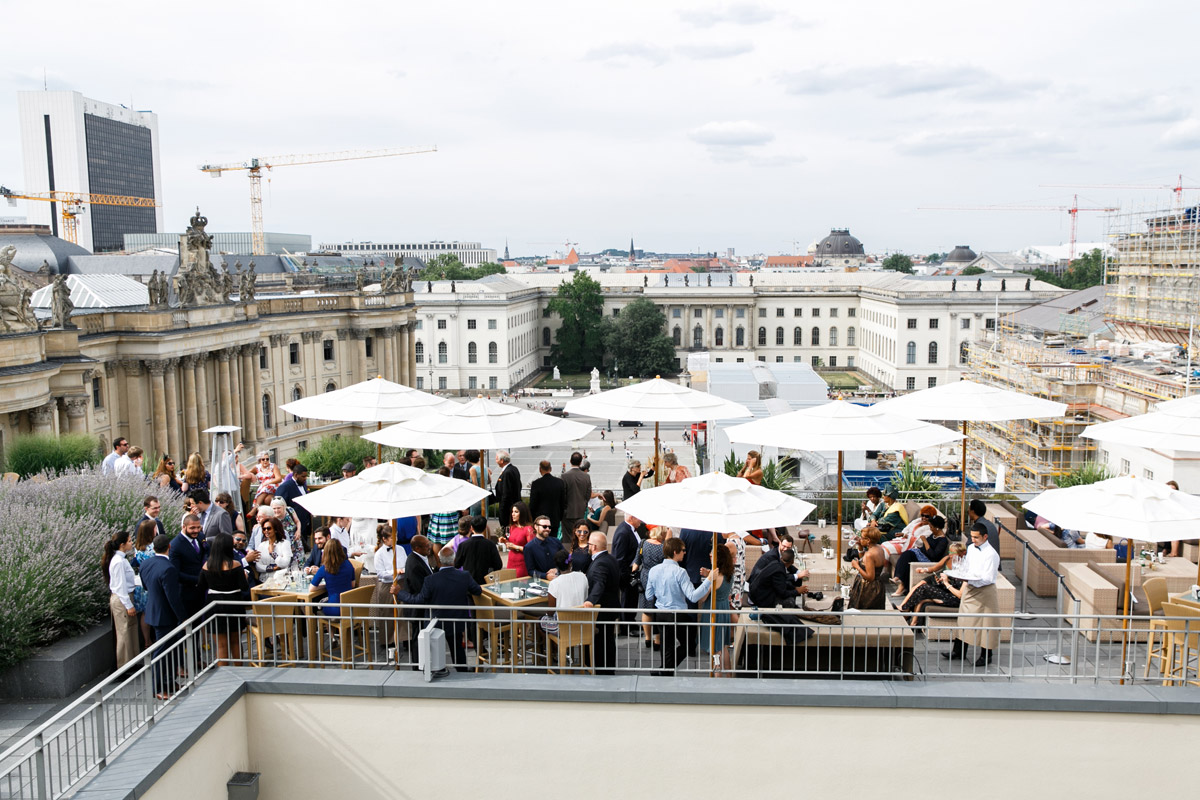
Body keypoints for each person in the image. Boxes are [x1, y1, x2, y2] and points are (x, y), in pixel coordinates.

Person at [395, 546, 482, 670]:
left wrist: (400, 593)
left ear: (439, 561)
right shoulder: (464, 576)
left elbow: (419, 600)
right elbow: (477, 590)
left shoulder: (430, 580)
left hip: (436, 621)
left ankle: (439, 670)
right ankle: (462, 671)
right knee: (457, 649)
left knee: (437, 650)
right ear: (454, 560)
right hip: (455, 620)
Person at [646, 538, 713, 675]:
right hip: (677, 613)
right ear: (675, 552)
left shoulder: (653, 570)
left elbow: (648, 595)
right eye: (683, 550)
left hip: (661, 613)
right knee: (689, 644)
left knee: (667, 646)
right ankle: (666, 670)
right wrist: (709, 580)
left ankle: (665, 670)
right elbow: (693, 596)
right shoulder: (680, 572)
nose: (685, 553)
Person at [943, 523, 1002, 667]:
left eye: (976, 537)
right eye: (972, 537)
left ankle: (986, 656)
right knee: (963, 620)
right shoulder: (970, 548)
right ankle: (959, 651)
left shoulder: (992, 554)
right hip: (970, 587)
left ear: (985, 537)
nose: (973, 540)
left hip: (985, 591)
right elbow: (967, 567)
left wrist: (970, 579)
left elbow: (988, 578)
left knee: (987, 624)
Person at [140, 534, 189, 698]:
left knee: (171, 650)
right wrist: (183, 617)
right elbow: (173, 598)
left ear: (153, 548)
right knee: (162, 652)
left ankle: (169, 683)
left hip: (154, 612)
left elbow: (145, 586)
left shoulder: (146, 563)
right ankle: (158, 688)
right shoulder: (169, 568)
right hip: (165, 616)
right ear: (169, 547)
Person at [748, 547, 812, 656]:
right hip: (761, 598)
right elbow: (782, 592)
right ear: (792, 561)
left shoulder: (776, 563)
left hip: (756, 592)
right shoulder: (779, 570)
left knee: (790, 592)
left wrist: (795, 588)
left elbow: (781, 583)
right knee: (789, 602)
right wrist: (797, 591)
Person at [198, 532, 249, 666]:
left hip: (214, 604)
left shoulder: (206, 566)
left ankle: (223, 673)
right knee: (236, 642)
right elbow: (244, 587)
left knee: (220, 645)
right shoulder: (236, 565)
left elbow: (201, 586)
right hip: (234, 603)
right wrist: (245, 577)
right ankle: (240, 671)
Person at [582, 532, 621, 674]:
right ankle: (608, 667)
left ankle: (602, 669)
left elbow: (599, 584)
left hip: (603, 609)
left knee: (602, 641)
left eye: (589, 544)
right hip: (611, 606)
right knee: (608, 640)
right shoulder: (611, 559)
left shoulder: (600, 563)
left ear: (594, 547)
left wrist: (590, 601)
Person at [901, 543, 967, 627]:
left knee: (923, 588)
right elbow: (937, 568)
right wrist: (943, 581)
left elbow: (960, 595)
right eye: (950, 552)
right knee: (921, 593)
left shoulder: (966, 572)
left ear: (962, 553)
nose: (950, 555)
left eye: (953, 553)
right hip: (948, 591)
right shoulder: (951, 562)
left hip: (955, 598)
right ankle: (913, 621)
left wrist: (946, 583)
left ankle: (906, 610)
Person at [104, 531, 142, 667]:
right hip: (122, 599)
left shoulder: (121, 559)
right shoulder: (118, 561)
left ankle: (132, 661)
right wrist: (128, 605)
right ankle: (124, 665)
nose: (132, 543)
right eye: (130, 541)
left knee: (130, 629)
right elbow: (120, 586)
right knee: (124, 632)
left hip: (125, 597)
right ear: (122, 544)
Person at [893, 514, 949, 596]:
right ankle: (899, 579)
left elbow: (934, 556)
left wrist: (925, 541)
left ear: (937, 528)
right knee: (906, 554)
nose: (930, 528)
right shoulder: (933, 535)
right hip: (921, 554)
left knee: (908, 556)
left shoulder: (943, 541)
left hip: (928, 560)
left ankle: (900, 583)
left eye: (931, 527)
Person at [401, 535, 436, 659]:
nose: (429, 548)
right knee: (418, 639)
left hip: (422, 608)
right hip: (418, 609)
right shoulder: (415, 564)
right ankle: (418, 666)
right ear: (417, 548)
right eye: (426, 546)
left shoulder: (421, 558)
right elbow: (420, 589)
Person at [633, 525, 666, 649]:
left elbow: (636, 563)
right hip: (659, 578)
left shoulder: (643, 543)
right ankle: (657, 640)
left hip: (645, 577)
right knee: (657, 608)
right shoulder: (663, 547)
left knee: (647, 609)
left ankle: (647, 638)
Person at [168, 514, 207, 617]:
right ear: (184, 527)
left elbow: (205, 552)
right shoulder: (175, 545)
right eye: (192, 528)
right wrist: (198, 579)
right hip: (187, 592)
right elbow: (176, 572)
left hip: (201, 591)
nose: (196, 530)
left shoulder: (200, 536)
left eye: (198, 527)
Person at [371, 526, 402, 654]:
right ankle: (387, 641)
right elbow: (381, 574)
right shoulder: (379, 554)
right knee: (387, 613)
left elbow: (405, 565)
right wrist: (395, 572)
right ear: (384, 539)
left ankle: (404, 638)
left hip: (400, 582)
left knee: (402, 611)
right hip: (387, 584)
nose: (395, 540)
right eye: (392, 538)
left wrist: (401, 571)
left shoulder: (400, 549)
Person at [542, 549, 589, 630]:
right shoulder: (582, 576)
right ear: (570, 562)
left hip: (564, 628)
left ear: (556, 566)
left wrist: (545, 615)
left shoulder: (555, 583)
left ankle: (554, 642)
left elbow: (551, 611)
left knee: (540, 622)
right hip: (583, 625)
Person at [310, 538, 356, 617]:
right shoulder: (348, 564)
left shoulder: (324, 568)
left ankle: (329, 629)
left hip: (334, 608)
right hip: (349, 608)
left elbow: (311, 588)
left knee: (316, 607)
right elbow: (352, 585)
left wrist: (326, 585)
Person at [848, 526, 890, 610]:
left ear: (868, 540)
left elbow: (870, 577)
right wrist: (860, 547)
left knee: (861, 613)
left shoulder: (869, 555)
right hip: (878, 586)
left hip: (867, 588)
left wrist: (857, 566)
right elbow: (865, 561)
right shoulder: (879, 548)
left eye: (862, 538)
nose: (860, 539)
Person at [709, 544, 735, 676]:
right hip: (725, 609)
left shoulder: (716, 577)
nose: (709, 554)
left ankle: (717, 674)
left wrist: (708, 578)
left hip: (715, 611)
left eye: (712, 553)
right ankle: (729, 675)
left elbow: (702, 598)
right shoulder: (729, 573)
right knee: (724, 646)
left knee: (716, 649)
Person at [611, 511, 642, 621]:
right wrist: (627, 576)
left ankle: (630, 621)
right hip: (626, 572)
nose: (641, 521)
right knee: (628, 599)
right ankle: (626, 625)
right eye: (639, 518)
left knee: (632, 598)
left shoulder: (629, 530)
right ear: (631, 518)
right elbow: (620, 558)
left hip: (631, 571)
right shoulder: (623, 532)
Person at [454, 515, 503, 584]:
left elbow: (457, 564)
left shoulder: (463, 545)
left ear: (471, 528)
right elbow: (498, 565)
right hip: (485, 582)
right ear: (485, 527)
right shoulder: (490, 545)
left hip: (468, 582)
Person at [529, 460, 567, 539]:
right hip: (554, 519)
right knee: (553, 541)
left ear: (540, 469)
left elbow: (533, 504)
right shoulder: (559, 482)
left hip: (540, 520)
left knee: (541, 540)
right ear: (551, 468)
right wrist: (559, 517)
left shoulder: (536, 484)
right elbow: (563, 502)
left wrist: (532, 519)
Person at [725, 529, 760, 611]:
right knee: (735, 606)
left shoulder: (730, 544)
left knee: (731, 607)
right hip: (739, 577)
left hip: (732, 579)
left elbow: (722, 561)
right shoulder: (739, 538)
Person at [275, 464, 312, 543]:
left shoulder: (303, 485)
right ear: (296, 475)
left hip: (304, 522)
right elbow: (277, 504)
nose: (305, 479)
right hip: (291, 525)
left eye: (306, 476)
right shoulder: (285, 487)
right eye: (303, 476)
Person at [523, 515, 565, 580]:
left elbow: (568, 559)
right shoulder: (529, 547)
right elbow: (530, 571)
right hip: (540, 582)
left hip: (558, 580)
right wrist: (545, 576)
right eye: (544, 526)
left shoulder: (556, 542)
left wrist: (557, 569)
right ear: (536, 527)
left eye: (549, 527)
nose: (547, 529)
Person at [501, 501, 534, 577]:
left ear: (522, 513)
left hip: (522, 563)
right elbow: (512, 544)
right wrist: (505, 542)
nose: (513, 514)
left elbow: (531, 550)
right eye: (512, 511)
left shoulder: (528, 529)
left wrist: (516, 547)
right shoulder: (512, 527)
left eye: (516, 512)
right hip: (511, 561)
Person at [562, 451, 592, 533]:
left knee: (568, 536)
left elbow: (563, 495)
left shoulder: (564, 476)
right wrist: (584, 504)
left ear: (570, 461)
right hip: (581, 510)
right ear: (580, 462)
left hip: (567, 512)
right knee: (580, 534)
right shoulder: (586, 476)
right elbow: (588, 494)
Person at [491, 451, 521, 532]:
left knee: (507, 530)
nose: (495, 461)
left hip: (507, 509)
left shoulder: (507, 472)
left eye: (496, 459)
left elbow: (506, 493)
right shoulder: (514, 469)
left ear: (502, 460)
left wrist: (503, 509)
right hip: (513, 505)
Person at [270, 497, 305, 565]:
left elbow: (297, 521)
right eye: (274, 508)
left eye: (278, 508)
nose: (276, 510)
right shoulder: (271, 516)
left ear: (284, 507)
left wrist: (298, 531)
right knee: (287, 561)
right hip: (282, 541)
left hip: (295, 539)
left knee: (299, 560)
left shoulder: (290, 510)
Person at [466, 449, 490, 519]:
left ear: (468, 459)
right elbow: (489, 480)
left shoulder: (472, 469)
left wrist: (468, 483)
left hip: (477, 497)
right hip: (485, 495)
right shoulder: (484, 465)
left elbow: (475, 486)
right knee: (484, 517)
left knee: (475, 518)